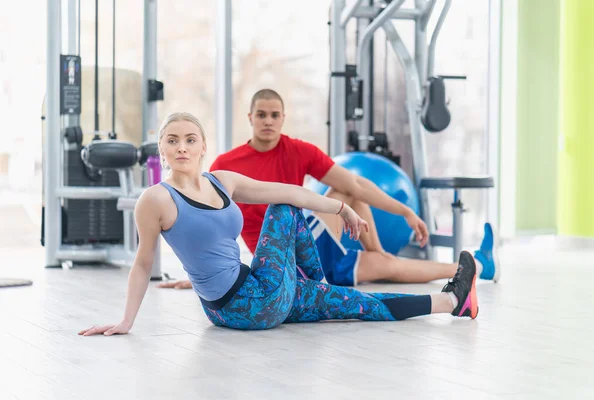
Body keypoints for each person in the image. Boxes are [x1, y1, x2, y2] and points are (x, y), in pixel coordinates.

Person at [79, 112, 479, 335]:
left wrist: (342, 209)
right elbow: (143, 263)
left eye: (189, 139)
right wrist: (126, 321)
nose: (181, 146)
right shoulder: (155, 200)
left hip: (254, 295)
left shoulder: (224, 181)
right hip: (242, 304)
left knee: (361, 304)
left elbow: (290, 189)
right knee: (284, 209)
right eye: (171, 140)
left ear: (203, 147)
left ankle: (450, 302)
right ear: (162, 150)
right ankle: (318, 285)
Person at [158, 89, 499, 290]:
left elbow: (355, 184)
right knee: (389, 267)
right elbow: (212, 226)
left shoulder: (299, 150)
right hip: (277, 258)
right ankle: (475, 266)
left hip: (305, 241)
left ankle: (390, 256)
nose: (268, 121)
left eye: (274, 115)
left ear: (283, 118)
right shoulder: (228, 164)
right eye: (261, 114)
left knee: (347, 195)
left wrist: (406, 211)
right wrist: (203, 275)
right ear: (250, 117)